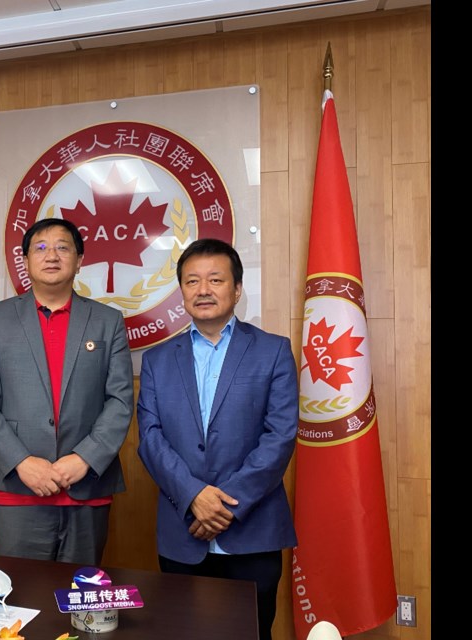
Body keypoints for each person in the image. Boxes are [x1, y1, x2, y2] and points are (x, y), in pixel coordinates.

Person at [136, 238, 298, 640]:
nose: (203, 290)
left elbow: (279, 437)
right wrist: (194, 498)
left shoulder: (273, 351)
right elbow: (150, 438)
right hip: (182, 531)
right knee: (184, 632)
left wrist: (222, 505)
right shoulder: (158, 359)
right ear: (182, 292)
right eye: (191, 281)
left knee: (252, 632)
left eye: (215, 279)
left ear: (237, 289)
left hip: (252, 531)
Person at [0, 218, 134, 566]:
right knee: (20, 600)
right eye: (40, 248)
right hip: (17, 487)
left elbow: (120, 401)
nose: (51, 255)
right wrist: (21, 462)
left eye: (62, 247)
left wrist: (85, 458)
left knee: (79, 599)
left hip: (85, 487)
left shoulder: (107, 320)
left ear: (79, 259)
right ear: (25, 261)